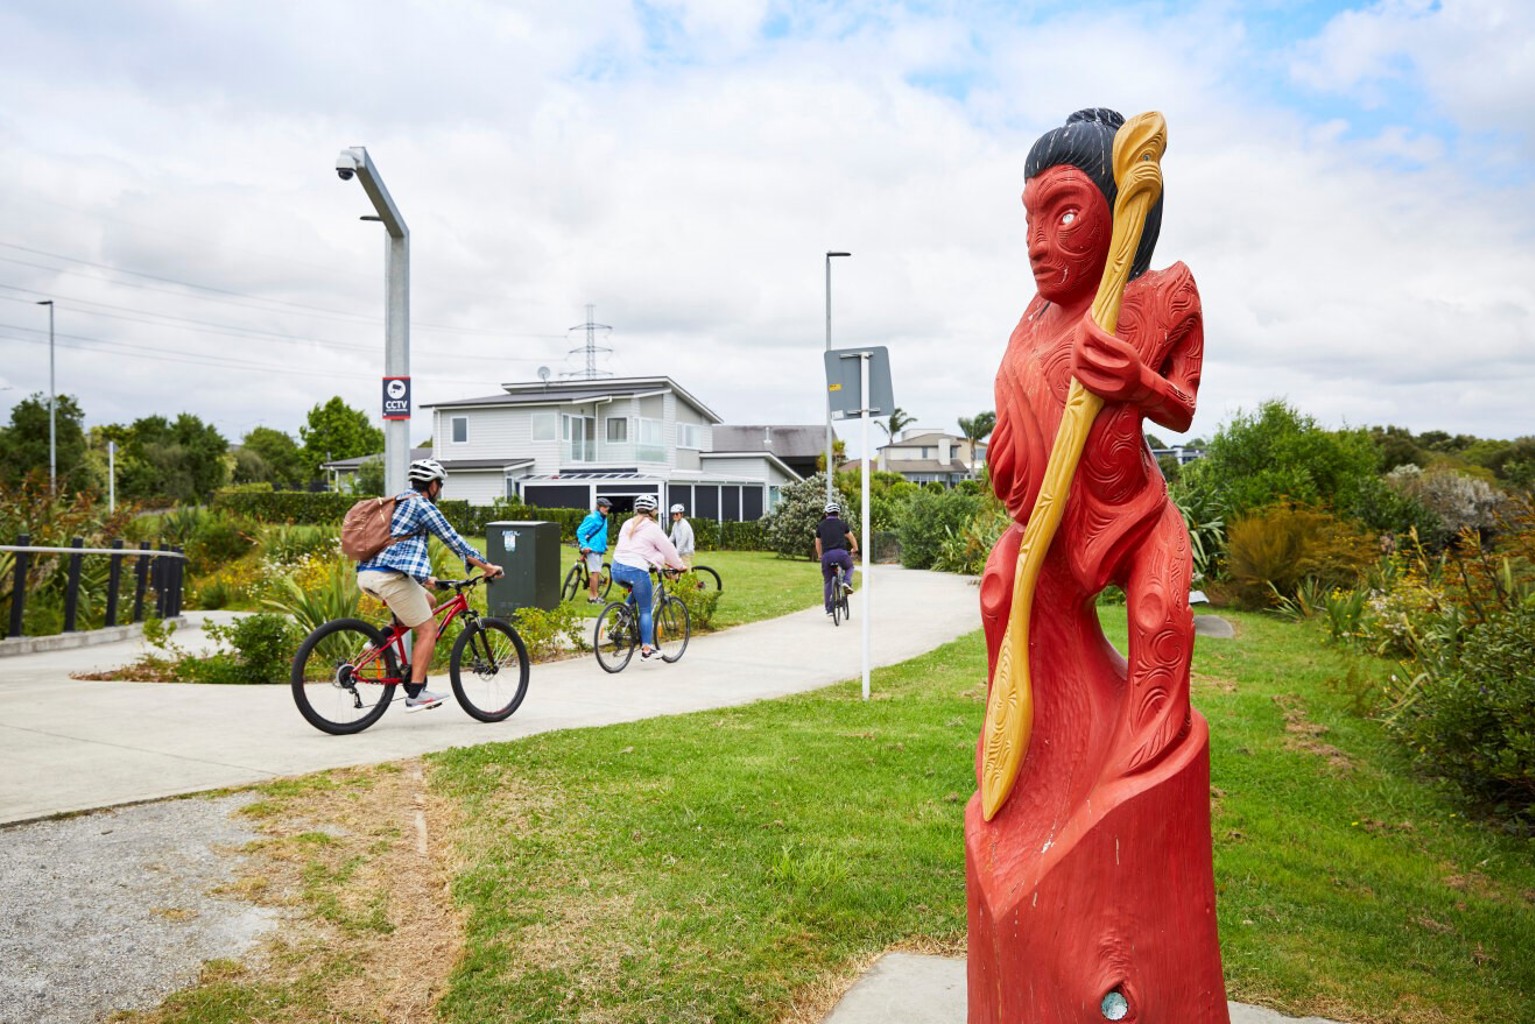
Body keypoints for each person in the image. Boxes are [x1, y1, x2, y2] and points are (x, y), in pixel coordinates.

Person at [356, 458, 504, 712]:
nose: (440, 490)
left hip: (368, 574)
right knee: (427, 629)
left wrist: (427, 580)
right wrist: (487, 566)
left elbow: (400, 548)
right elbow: (453, 540)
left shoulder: (398, 502)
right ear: (433, 485)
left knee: (429, 601)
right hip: (389, 577)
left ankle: (378, 642)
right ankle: (416, 693)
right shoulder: (421, 504)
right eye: (440, 484)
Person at [610, 494, 688, 659]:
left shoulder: (627, 523)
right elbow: (668, 549)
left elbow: (636, 548)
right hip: (636, 569)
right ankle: (647, 649)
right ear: (653, 511)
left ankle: (624, 610)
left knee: (640, 589)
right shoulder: (653, 527)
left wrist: (655, 561)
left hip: (616, 569)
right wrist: (679, 566)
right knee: (645, 610)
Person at [814, 502, 857, 616]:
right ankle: (846, 582)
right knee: (849, 567)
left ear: (826, 513)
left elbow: (818, 542)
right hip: (842, 554)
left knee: (828, 581)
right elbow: (851, 536)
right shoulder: (842, 524)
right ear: (838, 513)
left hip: (827, 556)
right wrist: (855, 548)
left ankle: (829, 609)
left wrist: (819, 555)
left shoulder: (821, 525)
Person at [575, 497, 613, 603]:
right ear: (599, 507)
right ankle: (594, 598)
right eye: (604, 507)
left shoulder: (604, 518)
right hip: (592, 549)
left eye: (608, 507)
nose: (607, 509)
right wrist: (585, 545)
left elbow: (602, 534)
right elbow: (580, 532)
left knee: (595, 573)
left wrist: (604, 545)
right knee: (595, 573)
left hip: (599, 548)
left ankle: (591, 596)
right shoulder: (592, 518)